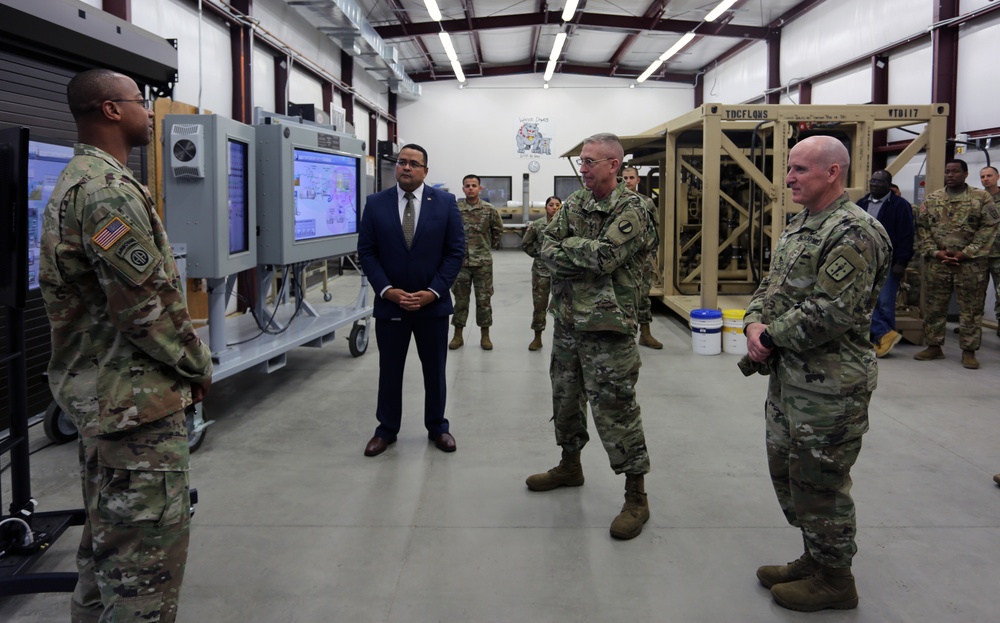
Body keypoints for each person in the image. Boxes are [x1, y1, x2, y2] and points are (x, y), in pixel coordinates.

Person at [37, 69, 213, 623]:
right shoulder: (106, 193)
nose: (149, 111)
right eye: (142, 101)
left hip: (106, 402)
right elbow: (146, 309)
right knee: (142, 571)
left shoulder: (80, 182)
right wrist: (197, 364)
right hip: (134, 406)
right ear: (112, 111)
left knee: (105, 554)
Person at [743, 135, 891, 612]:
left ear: (833, 173)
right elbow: (771, 282)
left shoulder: (854, 232)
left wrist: (767, 339)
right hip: (791, 380)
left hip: (830, 388)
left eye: (800, 169)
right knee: (791, 477)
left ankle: (836, 581)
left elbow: (830, 312)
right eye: (789, 168)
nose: (789, 178)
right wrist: (752, 322)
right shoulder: (801, 225)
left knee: (821, 485)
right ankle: (814, 557)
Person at [525, 133, 654, 540]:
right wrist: (575, 251)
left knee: (616, 409)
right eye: (582, 161)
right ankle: (570, 465)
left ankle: (636, 496)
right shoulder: (577, 203)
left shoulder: (633, 208)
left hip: (608, 327)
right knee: (564, 398)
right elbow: (544, 244)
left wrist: (570, 250)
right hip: (566, 321)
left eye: (589, 162)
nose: (582, 169)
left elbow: (605, 257)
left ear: (614, 165)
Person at [357, 144, 465, 456]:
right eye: (402, 162)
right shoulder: (376, 203)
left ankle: (438, 427)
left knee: (435, 370)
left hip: (431, 305)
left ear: (425, 171)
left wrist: (433, 292)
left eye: (414, 164)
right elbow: (367, 252)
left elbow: (455, 251)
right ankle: (386, 430)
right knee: (390, 370)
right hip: (392, 304)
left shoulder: (444, 203)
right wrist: (386, 289)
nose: (406, 167)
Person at [912, 159, 1000, 370]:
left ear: (965, 174)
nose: (950, 175)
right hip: (938, 262)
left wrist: (966, 253)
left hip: (970, 264)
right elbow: (922, 228)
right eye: (947, 172)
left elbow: (989, 227)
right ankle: (934, 346)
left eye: (955, 172)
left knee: (971, 308)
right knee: (934, 306)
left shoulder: (981, 198)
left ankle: (969, 351)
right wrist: (935, 251)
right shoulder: (933, 199)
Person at [857, 170, 914, 357]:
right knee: (861, 300)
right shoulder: (861, 204)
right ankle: (879, 336)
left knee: (884, 303)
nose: (874, 184)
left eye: (879, 182)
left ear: (888, 185)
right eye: (872, 180)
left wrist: (901, 262)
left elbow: (906, 235)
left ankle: (884, 341)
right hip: (863, 262)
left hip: (888, 262)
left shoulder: (899, 205)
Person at [448, 174, 504, 350]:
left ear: (480, 188)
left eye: (474, 185)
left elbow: (498, 231)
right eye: (467, 185)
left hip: (483, 264)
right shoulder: (455, 209)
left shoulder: (489, 210)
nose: (470, 188)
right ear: (463, 188)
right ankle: (458, 335)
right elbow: (448, 232)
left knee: (484, 300)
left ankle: (485, 335)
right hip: (461, 264)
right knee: (461, 300)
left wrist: (486, 248)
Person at [621, 165, 663, 349]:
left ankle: (645, 334)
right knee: (621, 296)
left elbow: (655, 228)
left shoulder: (647, 203)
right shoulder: (615, 201)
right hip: (620, 258)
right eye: (625, 178)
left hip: (641, 258)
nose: (628, 181)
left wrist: (648, 249)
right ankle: (623, 337)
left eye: (631, 177)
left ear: (638, 180)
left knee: (643, 296)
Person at [521, 195, 561, 350]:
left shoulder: (568, 226)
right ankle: (537, 337)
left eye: (558, 204)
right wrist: (538, 255)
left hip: (561, 272)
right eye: (551, 204)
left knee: (563, 307)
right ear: (546, 207)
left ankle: (562, 339)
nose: (555, 207)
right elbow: (526, 244)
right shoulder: (537, 225)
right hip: (541, 272)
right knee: (540, 305)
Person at [979, 166, 1000, 338]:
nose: (986, 179)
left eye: (989, 176)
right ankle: (972, 325)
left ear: (997, 177)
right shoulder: (978, 199)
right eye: (983, 176)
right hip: (980, 254)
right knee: (976, 292)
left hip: (999, 253)